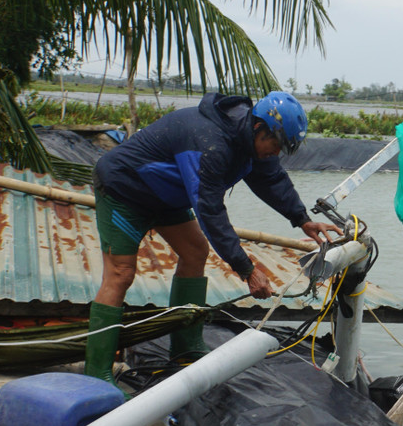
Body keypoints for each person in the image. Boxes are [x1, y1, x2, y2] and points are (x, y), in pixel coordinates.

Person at [84, 90, 338, 383]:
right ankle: (97, 374)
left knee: (195, 252)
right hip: (125, 189)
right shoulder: (211, 143)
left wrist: (303, 220)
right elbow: (210, 210)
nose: (276, 152)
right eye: (276, 144)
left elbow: (271, 179)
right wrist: (247, 269)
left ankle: (185, 348)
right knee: (121, 274)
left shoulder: (252, 140)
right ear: (259, 127)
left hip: (165, 197)